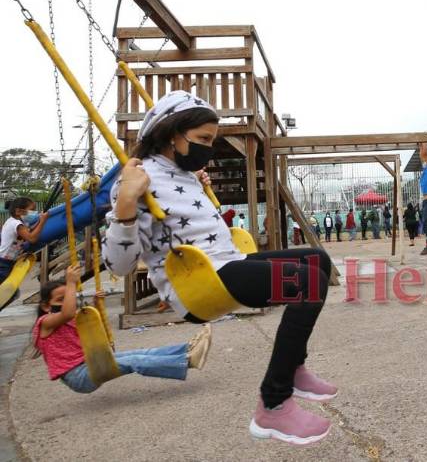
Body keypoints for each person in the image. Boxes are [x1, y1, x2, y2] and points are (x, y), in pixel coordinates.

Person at [102, 91, 336, 445]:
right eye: (202, 140)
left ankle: (293, 368)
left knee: (317, 261)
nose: (209, 148)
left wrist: (196, 183)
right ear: (172, 134)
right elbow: (118, 265)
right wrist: (125, 204)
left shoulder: (184, 173)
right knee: (304, 283)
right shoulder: (136, 180)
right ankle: (272, 404)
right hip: (196, 283)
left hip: (225, 263)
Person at [33, 265, 212, 393]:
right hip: (78, 376)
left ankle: (186, 349)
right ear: (46, 306)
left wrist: (96, 306)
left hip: (91, 363)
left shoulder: (71, 319)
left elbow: (93, 333)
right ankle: (188, 361)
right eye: (60, 300)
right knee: (134, 360)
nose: (66, 303)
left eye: (68, 297)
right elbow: (66, 312)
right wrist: (71, 284)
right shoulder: (45, 323)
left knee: (142, 353)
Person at [1, 197, 49, 310]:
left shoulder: (17, 222)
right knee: (7, 295)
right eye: (32, 210)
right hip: (3, 265)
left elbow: (30, 231)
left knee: (9, 295)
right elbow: (31, 238)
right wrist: (42, 221)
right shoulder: (16, 224)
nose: (34, 212)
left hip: (7, 263)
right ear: (19, 211)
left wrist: (38, 222)